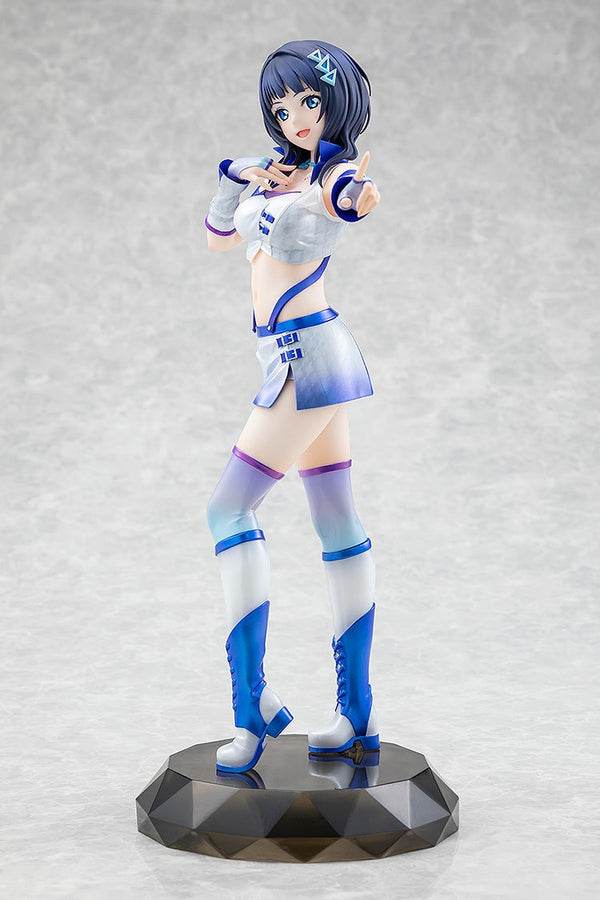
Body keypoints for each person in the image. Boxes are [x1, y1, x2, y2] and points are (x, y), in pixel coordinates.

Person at [204, 40, 381, 774]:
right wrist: (239, 177)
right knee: (337, 524)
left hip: (305, 361)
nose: (296, 117)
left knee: (228, 512)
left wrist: (348, 196)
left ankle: (252, 712)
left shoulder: (333, 174)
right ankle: (357, 714)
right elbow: (219, 235)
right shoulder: (283, 170)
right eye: (282, 106)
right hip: (306, 359)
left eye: (309, 101)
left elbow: (345, 201)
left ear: (335, 103)